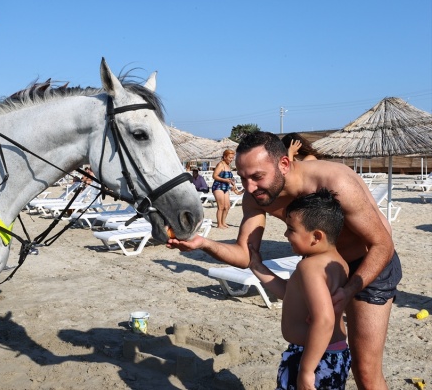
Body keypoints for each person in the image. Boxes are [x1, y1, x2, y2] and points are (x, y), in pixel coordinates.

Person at [168, 131, 400, 389]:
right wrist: (204, 243)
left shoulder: (334, 182)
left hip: (368, 264)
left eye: (257, 177)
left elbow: (382, 244)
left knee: (365, 370)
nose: (250, 188)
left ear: (284, 164)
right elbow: (247, 254)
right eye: (243, 178)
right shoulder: (256, 197)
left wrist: (349, 290)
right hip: (319, 270)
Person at [249, 188, 351, 389]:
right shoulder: (338, 261)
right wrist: (258, 268)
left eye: (291, 229)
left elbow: (324, 320)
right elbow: (291, 294)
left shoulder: (309, 267)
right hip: (332, 355)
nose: (285, 234)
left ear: (316, 236)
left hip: (313, 358)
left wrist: (305, 370)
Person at [211, 149, 242, 228]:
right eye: (230, 158)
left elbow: (230, 178)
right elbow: (214, 176)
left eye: (232, 158)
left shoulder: (228, 166)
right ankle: (219, 224)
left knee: (227, 206)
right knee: (221, 207)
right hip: (218, 186)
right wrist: (224, 180)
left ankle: (223, 222)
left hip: (226, 187)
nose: (231, 159)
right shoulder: (220, 164)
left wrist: (232, 182)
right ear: (225, 157)